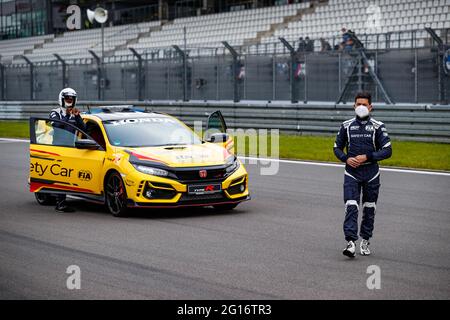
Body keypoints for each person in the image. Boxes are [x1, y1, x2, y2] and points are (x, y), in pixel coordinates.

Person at [333, 91, 392, 258]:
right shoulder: (346, 125)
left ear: (370, 107)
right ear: (353, 106)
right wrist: (346, 158)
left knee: (369, 208)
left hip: (371, 173)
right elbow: (336, 148)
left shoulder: (378, 126)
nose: (361, 107)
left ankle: (365, 239)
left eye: (364, 104)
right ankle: (350, 243)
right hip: (352, 173)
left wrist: (368, 156)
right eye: (358, 104)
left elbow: (388, 151)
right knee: (351, 205)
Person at [49, 87, 86, 213]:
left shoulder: (75, 113)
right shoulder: (55, 112)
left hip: (72, 148)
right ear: (62, 99)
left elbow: (84, 129)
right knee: (62, 175)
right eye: (67, 98)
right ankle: (60, 204)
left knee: (69, 175)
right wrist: (68, 115)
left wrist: (77, 116)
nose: (69, 100)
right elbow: (58, 125)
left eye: (71, 98)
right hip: (58, 149)